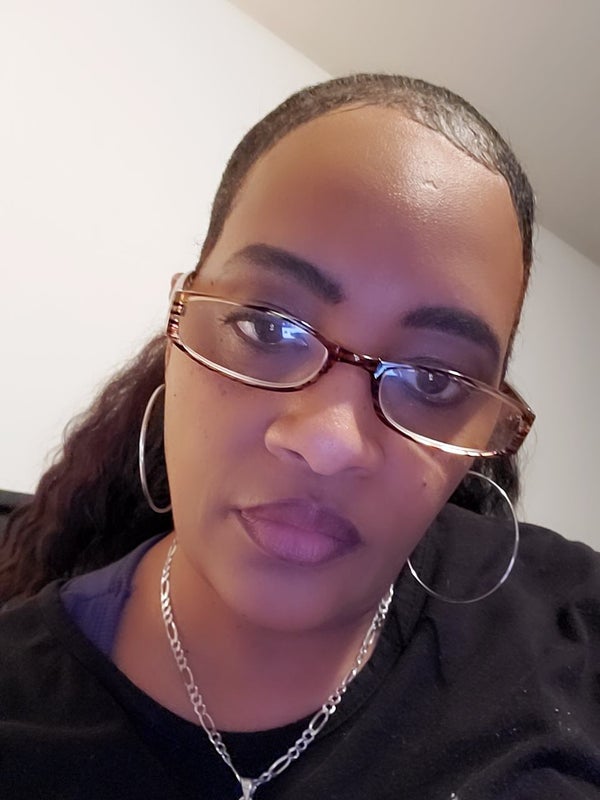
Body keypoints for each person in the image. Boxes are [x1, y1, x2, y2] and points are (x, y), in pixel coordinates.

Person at [0, 73, 598, 800]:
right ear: (180, 320)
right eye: (267, 327)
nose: (329, 443)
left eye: (433, 379)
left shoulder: (575, 624)